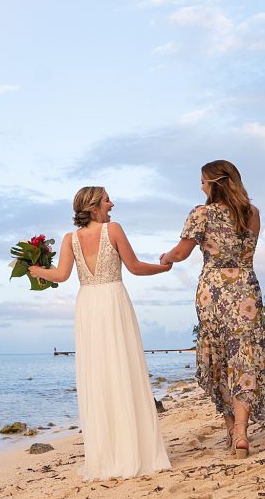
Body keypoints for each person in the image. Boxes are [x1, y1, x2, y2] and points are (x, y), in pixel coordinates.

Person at [29, 187, 173, 480]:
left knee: (98, 377)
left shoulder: (71, 239)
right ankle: (134, 452)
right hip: (113, 301)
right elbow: (134, 267)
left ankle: (107, 458)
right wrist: (163, 268)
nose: (112, 204)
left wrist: (36, 271)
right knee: (124, 370)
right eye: (107, 200)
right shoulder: (113, 229)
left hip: (88, 306)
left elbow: (61, 275)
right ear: (94, 207)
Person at [160, 160, 265, 458]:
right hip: (245, 290)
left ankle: (231, 430)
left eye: (203, 181)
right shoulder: (252, 213)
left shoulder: (201, 213)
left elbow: (180, 252)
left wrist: (165, 257)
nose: (201, 186)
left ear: (215, 183)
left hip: (213, 292)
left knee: (219, 359)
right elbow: (248, 251)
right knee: (244, 355)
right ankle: (242, 432)